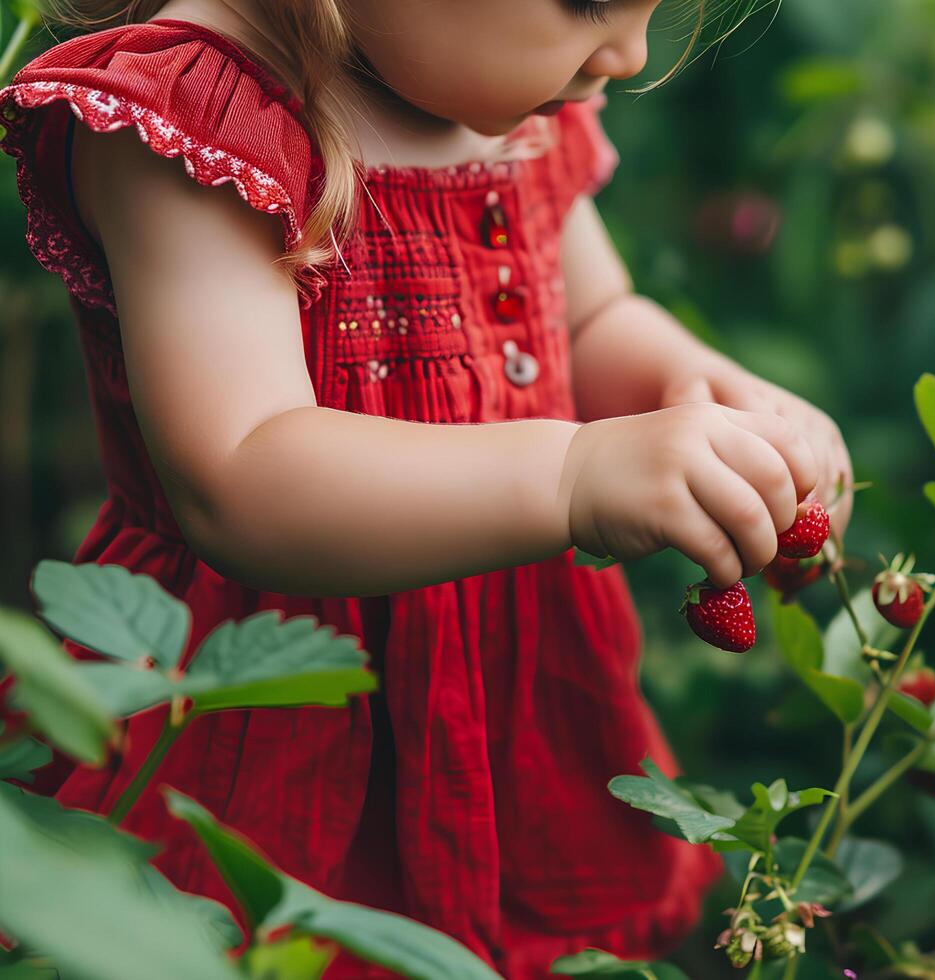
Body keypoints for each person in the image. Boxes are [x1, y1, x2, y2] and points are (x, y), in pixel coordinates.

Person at [0, 0, 853, 975]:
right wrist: (574, 471)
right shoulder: (200, 120)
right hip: (273, 706)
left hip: (509, 699)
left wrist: (694, 387)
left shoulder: (505, 97)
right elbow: (240, 473)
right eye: (588, 3)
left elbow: (589, 318)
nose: (626, 53)